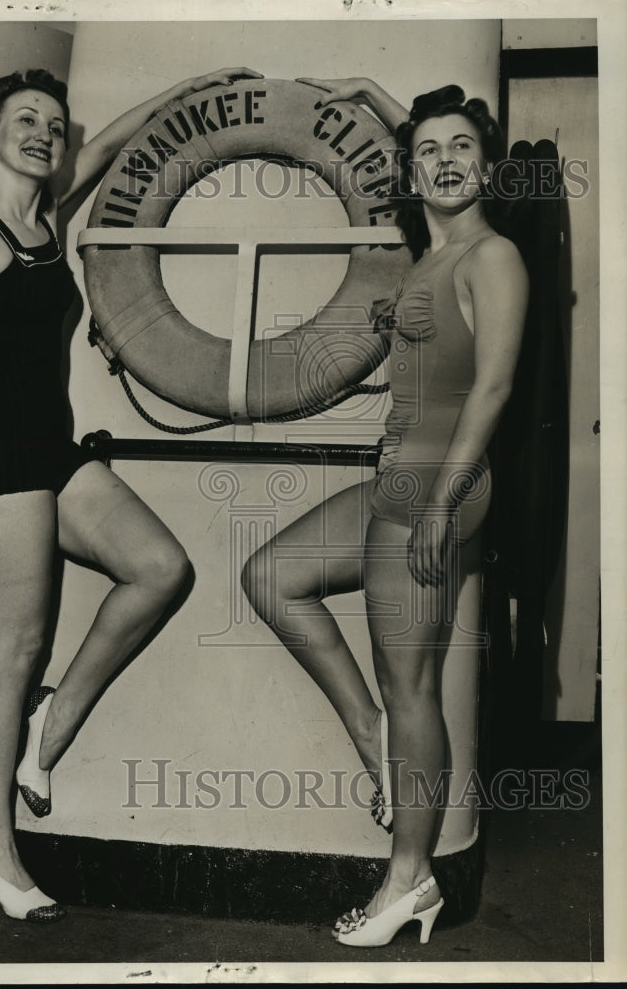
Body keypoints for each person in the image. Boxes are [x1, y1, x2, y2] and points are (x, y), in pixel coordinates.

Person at [0, 65, 262, 923]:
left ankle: (53, 724)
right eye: (23, 119)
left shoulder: (45, 216)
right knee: (15, 652)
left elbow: (112, 139)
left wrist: (196, 87)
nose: (42, 132)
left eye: (53, 121)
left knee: (159, 567)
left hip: (54, 450)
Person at [242, 78, 528, 947]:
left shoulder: (492, 255)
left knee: (415, 689)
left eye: (462, 149)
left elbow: (495, 386)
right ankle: (375, 739)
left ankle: (410, 880)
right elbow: (439, 345)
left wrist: (441, 505)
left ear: (488, 165)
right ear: (412, 167)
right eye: (429, 150)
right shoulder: (431, 256)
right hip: (401, 480)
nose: (445, 163)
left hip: (439, 487)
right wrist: (364, 93)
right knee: (271, 576)